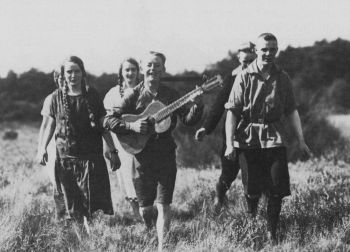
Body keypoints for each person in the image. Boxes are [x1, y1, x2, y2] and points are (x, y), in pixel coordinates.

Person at [103, 51, 203, 251]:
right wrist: (131, 127)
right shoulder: (134, 94)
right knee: (146, 209)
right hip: (142, 156)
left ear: (163, 69)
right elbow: (109, 120)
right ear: (142, 69)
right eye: (149, 65)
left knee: (164, 205)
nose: (153, 69)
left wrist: (198, 104)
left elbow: (189, 120)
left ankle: (162, 247)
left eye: (157, 65)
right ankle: (150, 227)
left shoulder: (171, 95)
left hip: (165, 154)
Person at [224, 33, 311, 242]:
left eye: (272, 49)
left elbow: (291, 111)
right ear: (256, 51)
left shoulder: (283, 78)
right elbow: (232, 112)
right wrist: (229, 144)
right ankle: (252, 225)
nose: (268, 53)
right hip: (248, 140)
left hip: (275, 138)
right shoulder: (244, 77)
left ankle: (272, 232)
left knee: (276, 189)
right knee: (252, 189)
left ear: (277, 51)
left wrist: (301, 141)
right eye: (264, 49)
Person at [36, 56, 118, 234]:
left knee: (90, 204)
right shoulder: (55, 98)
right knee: (71, 205)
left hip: (91, 159)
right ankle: (79, 239)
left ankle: (91, 238)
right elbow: (49, 125)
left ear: (82, 73)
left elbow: (102, 126)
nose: (73, 75)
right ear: (64, 75)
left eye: (76, 71)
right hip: (66, 158)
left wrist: (112, 149)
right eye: (69, 72)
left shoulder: (93, 95)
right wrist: (42, 148)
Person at [195, 42, 256, 212]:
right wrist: (205, 128)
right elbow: (218, 105)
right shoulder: (232, 78)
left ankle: (253, 213)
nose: (248, 66)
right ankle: (219, 198)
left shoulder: (262, 77)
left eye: (251, 61)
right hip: (233, 134)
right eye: (245, 62)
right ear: (238, 59)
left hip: (256, 135)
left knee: (252, 176)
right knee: (228, 174)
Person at [103, 58, 141, 219]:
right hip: (121, 141)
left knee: (141, 174)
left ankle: (146, 208)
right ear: (121, 72)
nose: (130, 73)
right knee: (126, 175)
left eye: (133, 69)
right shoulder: (113, 93)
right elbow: (105, 121)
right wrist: (108, 147)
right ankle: (136, 213)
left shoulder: (143, 90)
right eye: (127, 70)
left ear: (138, 72)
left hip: (141, 139)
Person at [36, 69, 66, 219]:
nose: (63, 80)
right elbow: (45, 125)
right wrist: (41, 148)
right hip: (53, 146)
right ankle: (62, 219)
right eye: (59, 77)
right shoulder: (51, 98)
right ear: (56, 79)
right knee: (57, 182)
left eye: (64, 76)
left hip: (71, 147)